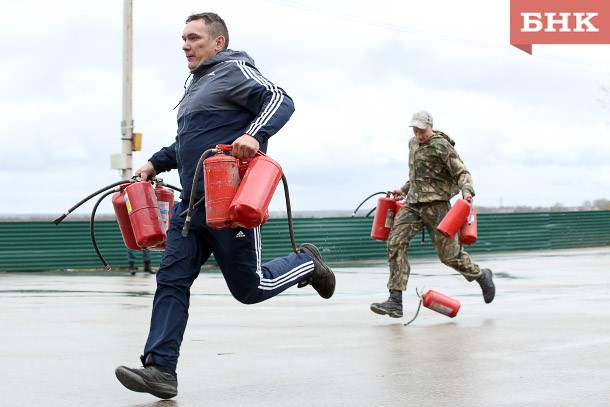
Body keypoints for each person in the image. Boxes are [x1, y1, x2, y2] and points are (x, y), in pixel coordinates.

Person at [114, 12, 335, 400]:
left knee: (250, 289)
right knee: (171, 279)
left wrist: (253, 134)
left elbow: (280, 99)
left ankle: (306, 263)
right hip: (190, 208)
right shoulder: (196, 87)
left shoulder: (234, 69)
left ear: (217, 42)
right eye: (183, 38)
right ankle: (161, 370)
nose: (185, 45)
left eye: (194, 38)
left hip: (227, 203)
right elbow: (189, 143)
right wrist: (153, 163)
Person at [370, 110, 495, 319]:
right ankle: (395, 301)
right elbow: (418, 175)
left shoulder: (441, 146)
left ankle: (481, 276)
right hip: (413, 205)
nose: (419, 134)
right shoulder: (412, 144)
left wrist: (467, 192)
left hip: (437, 206)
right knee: (395, 242)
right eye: (415, 130)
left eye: (422, 130)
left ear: (431, 126)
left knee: (449, 256)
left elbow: (461, 172)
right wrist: (404, 189)